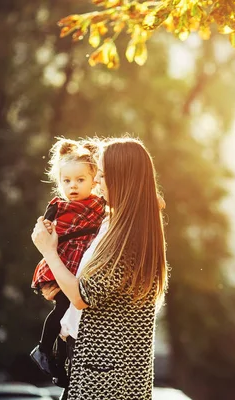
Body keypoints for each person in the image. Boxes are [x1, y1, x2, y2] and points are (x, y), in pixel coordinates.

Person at [31, 137, 168, 400]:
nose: (96, 182)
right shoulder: (111, 222)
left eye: (103, 176)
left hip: (107, 378)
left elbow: (83, 296)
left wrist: (48, 252)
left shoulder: (129, 238)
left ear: (121, 180)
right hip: (89, 363)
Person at [29, 138, 106, 382]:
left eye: (80, 180)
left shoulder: (99, 204)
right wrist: (48, 227)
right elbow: (43, 231)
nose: (73, 186)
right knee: (63, 308)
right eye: (67, 181)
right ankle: (44, 349)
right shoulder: (58, 206)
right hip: (63, 261)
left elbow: (125, 206)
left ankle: (60, 363)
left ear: (94, 180)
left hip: (81, 265)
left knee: (71, 314)